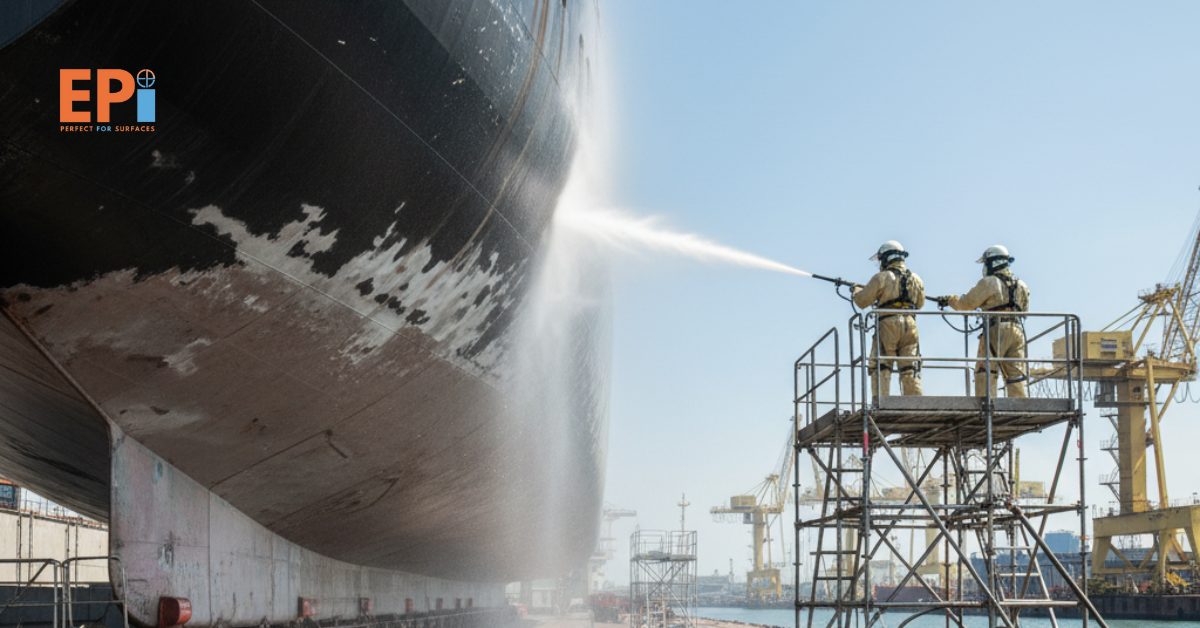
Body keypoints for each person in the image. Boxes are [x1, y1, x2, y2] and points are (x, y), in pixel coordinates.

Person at [941, 244, 1031, 398]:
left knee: (986, 370)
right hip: (1017, 330)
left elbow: (966, 304)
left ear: (992, 262)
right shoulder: (1021, 285)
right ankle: (1020, 405)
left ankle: (986, 405)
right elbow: (1025, 311)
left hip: (996, 330)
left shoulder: (990, 282)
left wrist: (949, 300)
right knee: (1016, 374)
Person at [853, 241, 925, 396]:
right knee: (909, 367)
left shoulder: (882, 277)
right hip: (911, 325)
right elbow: (920, 303)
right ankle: (915, 402)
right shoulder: (916, 278)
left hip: (888, 324)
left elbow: (862, 301)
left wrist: (856, 290)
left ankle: (881, 401)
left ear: (885, 258)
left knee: (881, 365)